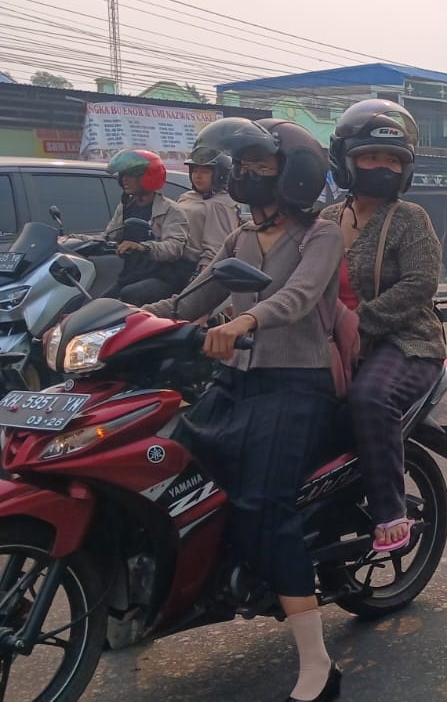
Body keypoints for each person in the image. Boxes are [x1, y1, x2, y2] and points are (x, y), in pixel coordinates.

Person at [144, 117, 344, 702]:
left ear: (295, 176)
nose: (246, 175)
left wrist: (244, 321)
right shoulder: (237, 240)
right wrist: (120, 320)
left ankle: (317, 664)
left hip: (294, 386)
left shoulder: (320, 235)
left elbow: (299, 296)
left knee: (263, 505)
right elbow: (190, 299)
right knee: (176, 468)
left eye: (262, 166)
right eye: (244, 165)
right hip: (233, 383)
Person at [322, 99, 445, 554]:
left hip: (405, 341)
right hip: (328, 342)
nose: (383, 167)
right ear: (347, 161)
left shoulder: (410, 219)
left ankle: (390, 511)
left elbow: (420, 284)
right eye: (372, 157)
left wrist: (360, 323)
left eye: (393, 159)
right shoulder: (325, 220)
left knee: (370, 398)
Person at [100, 149, 194, 304]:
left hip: (162, 277)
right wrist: (73, 240)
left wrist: (143, 247)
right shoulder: (125, 208)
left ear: (147, 177)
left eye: (130, 175)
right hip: (131, 275)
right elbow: (109, 236)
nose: (124, 180)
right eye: (123, 175)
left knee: (129, 295)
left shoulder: (172, 210)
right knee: (99, 305)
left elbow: (174, 248)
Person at [178, 147, 242, 276]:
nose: (198, 176)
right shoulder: (187, 197)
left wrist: (202, 276)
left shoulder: (221, 204)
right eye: (195, 170)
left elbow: (217, 246)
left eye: (205, 171)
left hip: (191, 268)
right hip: (170, 260)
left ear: (220, 174)